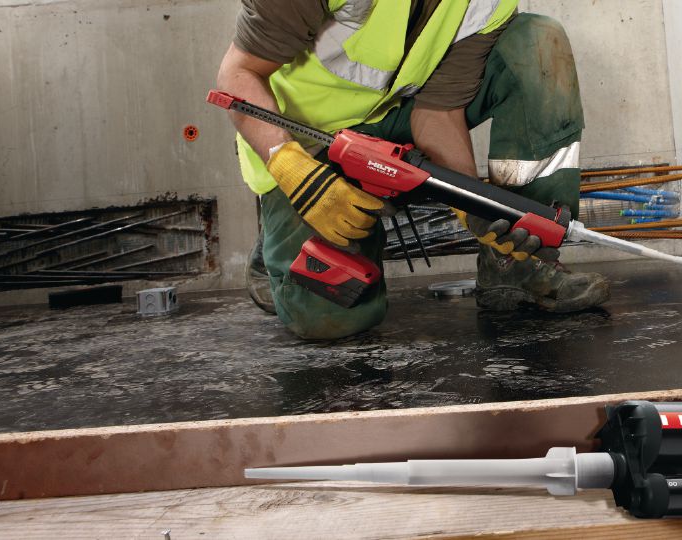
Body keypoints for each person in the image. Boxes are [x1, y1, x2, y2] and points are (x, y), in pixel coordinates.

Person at [217, 0, 610, 339]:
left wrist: (474, 204)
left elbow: (438, 113)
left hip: (396, 116)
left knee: (537, 42)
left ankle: (515, 265)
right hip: (306, 143)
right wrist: (290, 166)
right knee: (333, 318)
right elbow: (237, 75)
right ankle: (275, 246)